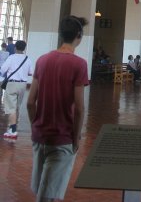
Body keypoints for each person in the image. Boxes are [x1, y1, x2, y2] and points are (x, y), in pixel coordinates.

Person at [27, 16, 89, 201]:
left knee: (42, 188)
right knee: (48, 194)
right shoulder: (79, 64)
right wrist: (76, 137)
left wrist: (35, 126)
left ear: (61, 34)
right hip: (62, 137)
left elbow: (30, 102)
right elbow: (79, 108)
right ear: (79, 35)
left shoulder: (42, 60)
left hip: (40, 135)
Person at [1, 39, 33, 139]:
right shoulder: (27, 59)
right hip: (23, 85)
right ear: (24, 48)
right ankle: (12, 128)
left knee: (11, 108)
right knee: (17, 107)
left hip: (12, 84)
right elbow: (31, 72)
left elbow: (3, 70)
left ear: (15, 48)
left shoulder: (11, 58)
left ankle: (13, 131)